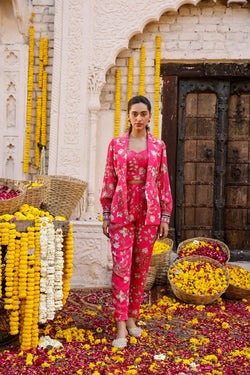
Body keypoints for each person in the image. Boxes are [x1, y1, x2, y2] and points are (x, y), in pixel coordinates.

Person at [100, 95, 172, 348]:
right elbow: (109, 177)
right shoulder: (116, 145)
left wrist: (165, 215)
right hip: (121, 210)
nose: (139, 118)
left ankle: (132, 318)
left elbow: (163, 181)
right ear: (128, 116)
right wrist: (106, 212)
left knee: (141, 268)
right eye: (134, 114)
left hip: (149, 211)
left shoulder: (158, 146)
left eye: (143, 113)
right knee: (122, 267)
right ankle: (120, 323)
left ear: (150, 116)